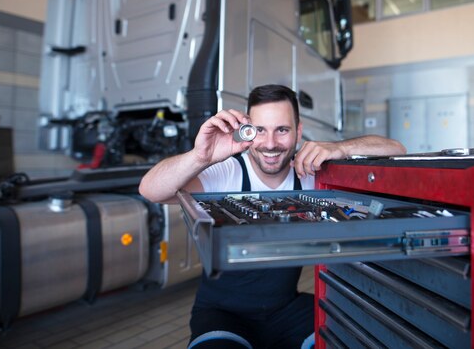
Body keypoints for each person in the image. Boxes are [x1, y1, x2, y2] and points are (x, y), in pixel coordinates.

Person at [139, 84, 406, 349]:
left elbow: (397, 149)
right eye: (259, 131)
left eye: (282, 130)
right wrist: (200, 156)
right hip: (222, 313)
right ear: (246, 132)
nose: (270, 144)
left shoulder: (311, 174)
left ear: (298, 132)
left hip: (286, 309)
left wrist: (340, 149)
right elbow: (150, 189)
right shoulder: (226, 172)